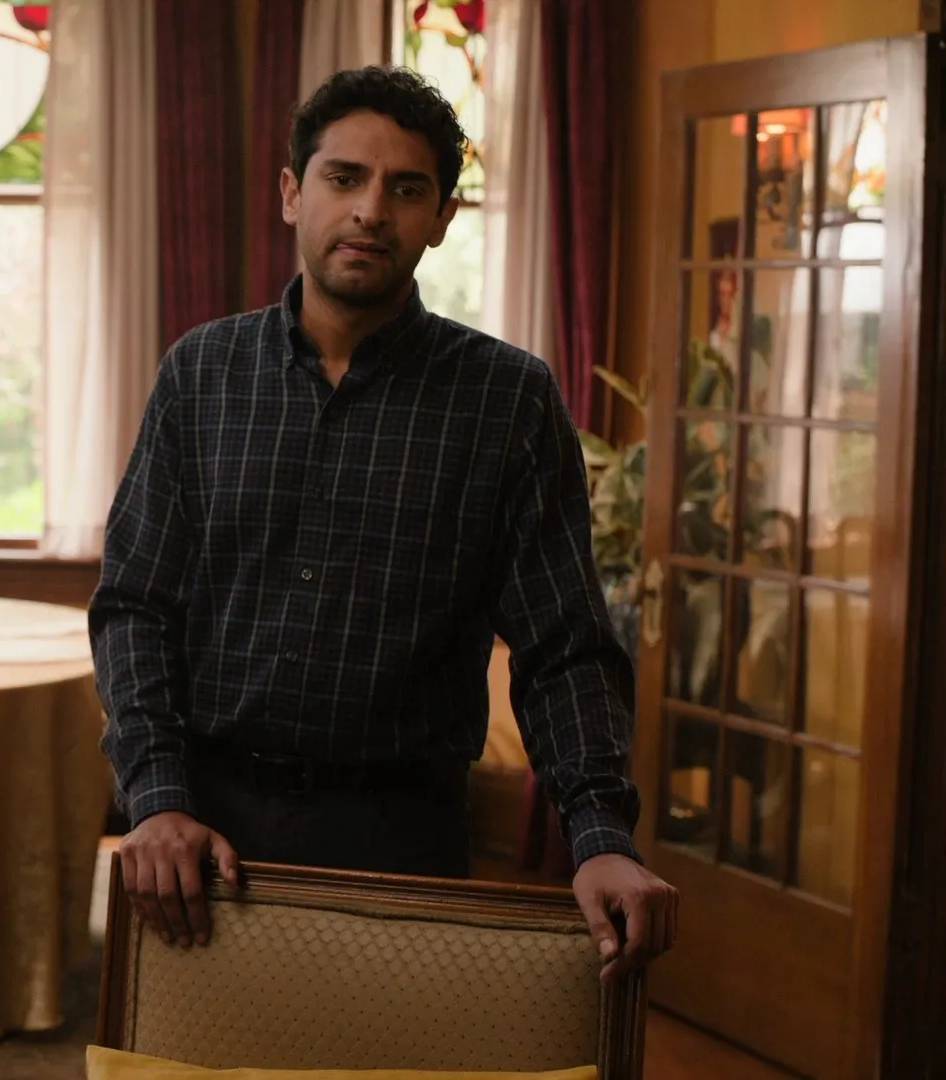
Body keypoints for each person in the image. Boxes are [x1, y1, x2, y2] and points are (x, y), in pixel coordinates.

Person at [89, 67, 678, 983]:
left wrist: (600, 833)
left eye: (406, 189)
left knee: (385, 1050)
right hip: (202, 833)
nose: (370, 210)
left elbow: (564, 645)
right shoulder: (201, 373)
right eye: (344, 178)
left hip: (405, 835)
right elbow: (136, 605)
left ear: (442, 217)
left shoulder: (509, 399)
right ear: (293, 192)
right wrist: (157, 797)